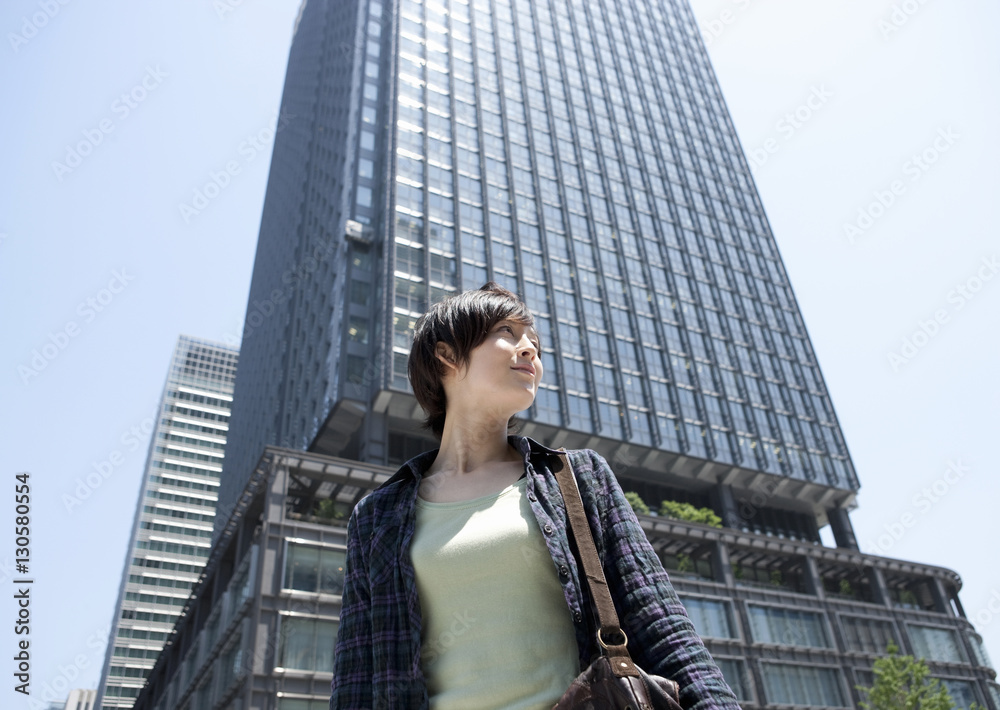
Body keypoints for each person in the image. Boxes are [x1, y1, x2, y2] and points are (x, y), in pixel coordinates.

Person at [330, 283, 741, 710]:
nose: (529, 350)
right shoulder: (377, 517)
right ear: (447, 355)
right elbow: (355, 680)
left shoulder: (578, 478)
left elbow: (662, 626)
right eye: (506, 331)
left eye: (535, 344)